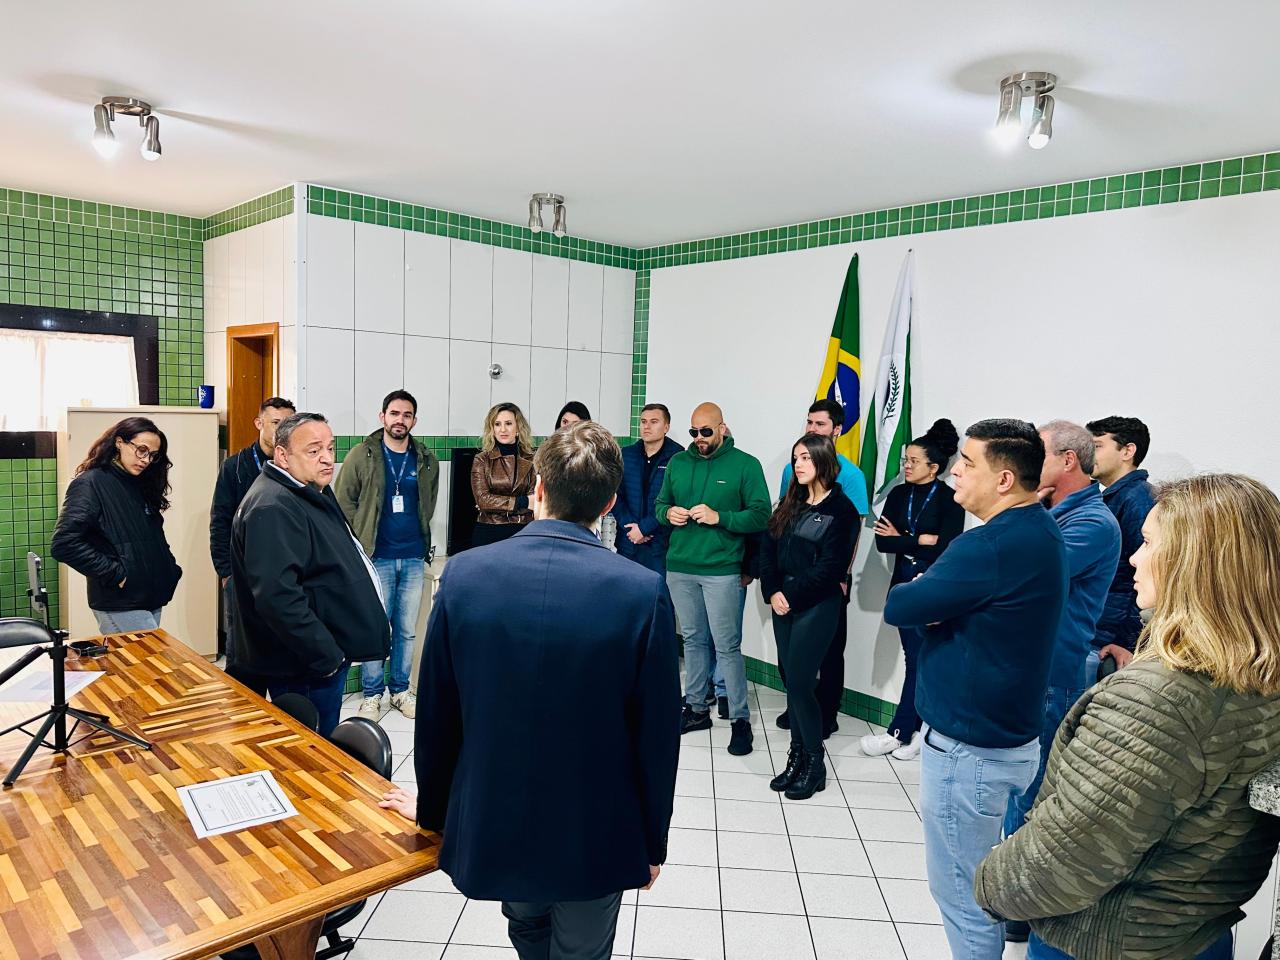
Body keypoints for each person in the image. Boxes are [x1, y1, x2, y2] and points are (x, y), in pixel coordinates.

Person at [380, 421, 680, 960]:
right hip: (595, 824)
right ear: (609, 504)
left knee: (526, 930)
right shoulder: (641, 592)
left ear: (537, 488)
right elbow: (657, 735)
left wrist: (438, 811)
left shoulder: (464, 577)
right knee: (580, 949)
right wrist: (651, 839)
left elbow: (439, 713)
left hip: (498, 813)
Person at [976, 474, 1280, 960]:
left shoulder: (1156, 701)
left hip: (1105, 940)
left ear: (1194, 564)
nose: (1135, 559)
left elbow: (1066, 862)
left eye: (1149, 543)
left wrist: (991, 882)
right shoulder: (1260, 676)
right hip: (1196, 933)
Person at [883, 418, 1067, 960]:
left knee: (962, 892)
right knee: (985, 877)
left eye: (967, 463)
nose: (955, 473)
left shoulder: (987, 546)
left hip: (970, 750)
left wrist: (928, 594)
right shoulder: (1041, 529)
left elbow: (901, 604)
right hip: (1010, 737)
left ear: (1004, 479)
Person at [1001, 421, 1121, 942]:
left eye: (1039, 455)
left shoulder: (1092, 522)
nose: (1029, 465)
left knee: (1032, 794)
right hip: (1031, 668)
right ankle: (1010, 900)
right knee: (1017, 788)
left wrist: (1017, 509)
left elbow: (1020, 573)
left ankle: (1018, 912)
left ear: (1068, 461)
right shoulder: (1054, 513)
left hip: (1055, 674)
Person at [229, 412, 389, 735]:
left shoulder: (307, 489)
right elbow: (278, 598)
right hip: (303, 666)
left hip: (312, 660)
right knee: (311, 751)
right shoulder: (274, 506)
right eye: (314, 451)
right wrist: (327, 657)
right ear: (283, 456)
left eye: (330, 448)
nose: (328, 458)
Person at [655, 402, 771, 756]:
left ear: (722, 428)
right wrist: (669, 513)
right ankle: (696, 709)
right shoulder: (678, 463)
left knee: (727, 646)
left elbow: (761, 515)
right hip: (680, 566)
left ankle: (739, 720)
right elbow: (660, 505)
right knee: (692, 640)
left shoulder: (745, 465)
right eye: (694, 432)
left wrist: (720, 517)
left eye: (706, 431)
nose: (699, 438)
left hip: (721, 569)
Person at [759, 435, 857, 800]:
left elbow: (832, 568)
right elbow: (767, 549)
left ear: (823, 461)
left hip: (816, 603)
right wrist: (773, 590)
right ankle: (797, 758)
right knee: (792, 681)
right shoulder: (791, 501)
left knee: (801, 683)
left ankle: (815, 764)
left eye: (805, 458)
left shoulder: (841, 510)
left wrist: (790, 595)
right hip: (782, 600)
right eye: (795, 458)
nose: (798, 465)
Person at [334, 389, 441, 720]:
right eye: (394, 413)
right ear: (383, 417)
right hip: (376, 556)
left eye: (407, 415)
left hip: (412, 556)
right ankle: (371, 694)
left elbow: (429, 502)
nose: (400, 420)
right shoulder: (362, 455)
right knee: (375, 628)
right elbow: (343, 501)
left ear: (414, 421)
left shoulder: (425, 459)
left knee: (406, 630)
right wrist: (360, 539)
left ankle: (400, 691)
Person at [864, 418, 964, 760]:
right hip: (903, 589)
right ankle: (914, 730)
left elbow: (945, 547)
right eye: (905, 460)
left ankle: (907, 730)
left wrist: (904, 538)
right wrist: (919, 540)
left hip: (933, 588)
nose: (906, 466)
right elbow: (882, 542)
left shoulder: (950, 499)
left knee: (922, 660)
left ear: (933, 467)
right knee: (916, 659)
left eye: (913, 461)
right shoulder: (898, 494)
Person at [774, 398, 869, 737]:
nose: (812, 428)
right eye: (809, 422)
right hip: (792, 576)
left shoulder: (851, 475)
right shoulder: (792, 470)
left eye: (820, 424)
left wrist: (842, 574)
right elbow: (782, 522)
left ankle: (827, 713)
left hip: (828, 578)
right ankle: (798, 707)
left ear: (837, 430)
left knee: (828, 650)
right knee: (791, 656)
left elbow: (851, 533)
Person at [51, 417, 182, 634]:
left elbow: (152, 537)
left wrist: (169, 568)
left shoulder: (140, 483)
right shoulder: (90, 483)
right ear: (119, 442)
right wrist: (116, 574)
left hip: (149, 594)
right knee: (147, 655)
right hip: (120, 600)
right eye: (141, 450)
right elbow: (64, 543)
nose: (146, 460)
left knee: (143, 656)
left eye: (152, 455)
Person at [209, 396, 295, 694]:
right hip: (242, 577)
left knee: (284, 652)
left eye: (288, 423)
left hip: (284, 578)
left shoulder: (295, 467)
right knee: (244, 657)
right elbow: (220, 522)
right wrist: (226, 573)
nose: (282, 429)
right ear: (259, 423)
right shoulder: (235, 467)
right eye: (276, 423)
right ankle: (246, 711)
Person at [1086, 415, 1155, 678]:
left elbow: (1146, 576)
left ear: (1127, 451)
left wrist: (1129, 642)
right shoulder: (1110, 498)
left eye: (1097, 446)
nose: (1088, 454)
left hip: (1110, 640)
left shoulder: (1138, 500)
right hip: (1099, 632)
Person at [612, 403, 683, 574]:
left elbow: (675, 501)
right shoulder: (626, 455)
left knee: (659, 591)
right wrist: (632, 530)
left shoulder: (678, 457)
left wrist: (644, 528)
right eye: (643, 421)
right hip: (628, 544)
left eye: (654, 422)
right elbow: (615, 496)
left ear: (666, 427)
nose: (647, 426)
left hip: (660, 548)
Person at [471, 402, 536, 547]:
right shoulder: (482, 459)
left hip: (523, 531)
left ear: (518, 427)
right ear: (492, 429)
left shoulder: (533, 459)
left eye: (508, 423)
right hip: (489, 531)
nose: (503, 429)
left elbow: (535, 500)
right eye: (497, 424)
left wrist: (496, 503)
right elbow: (483, 500)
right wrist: (522, 502)